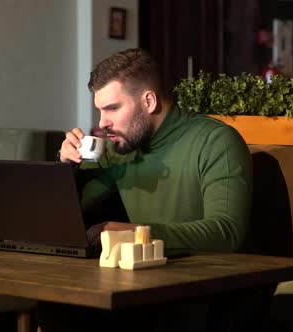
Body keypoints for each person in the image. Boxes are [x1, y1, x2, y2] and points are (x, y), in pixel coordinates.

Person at [38, 48, 254, 332]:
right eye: (100, 110)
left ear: (149, 101)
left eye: (112, 108)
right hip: (142, 285)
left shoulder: (216, 141)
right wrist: (66, 165)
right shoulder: (120, 147)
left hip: (205, 290)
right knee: (57, 306)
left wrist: (136, 234)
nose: (102, 122)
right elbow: (76, 214)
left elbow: (227, 232)